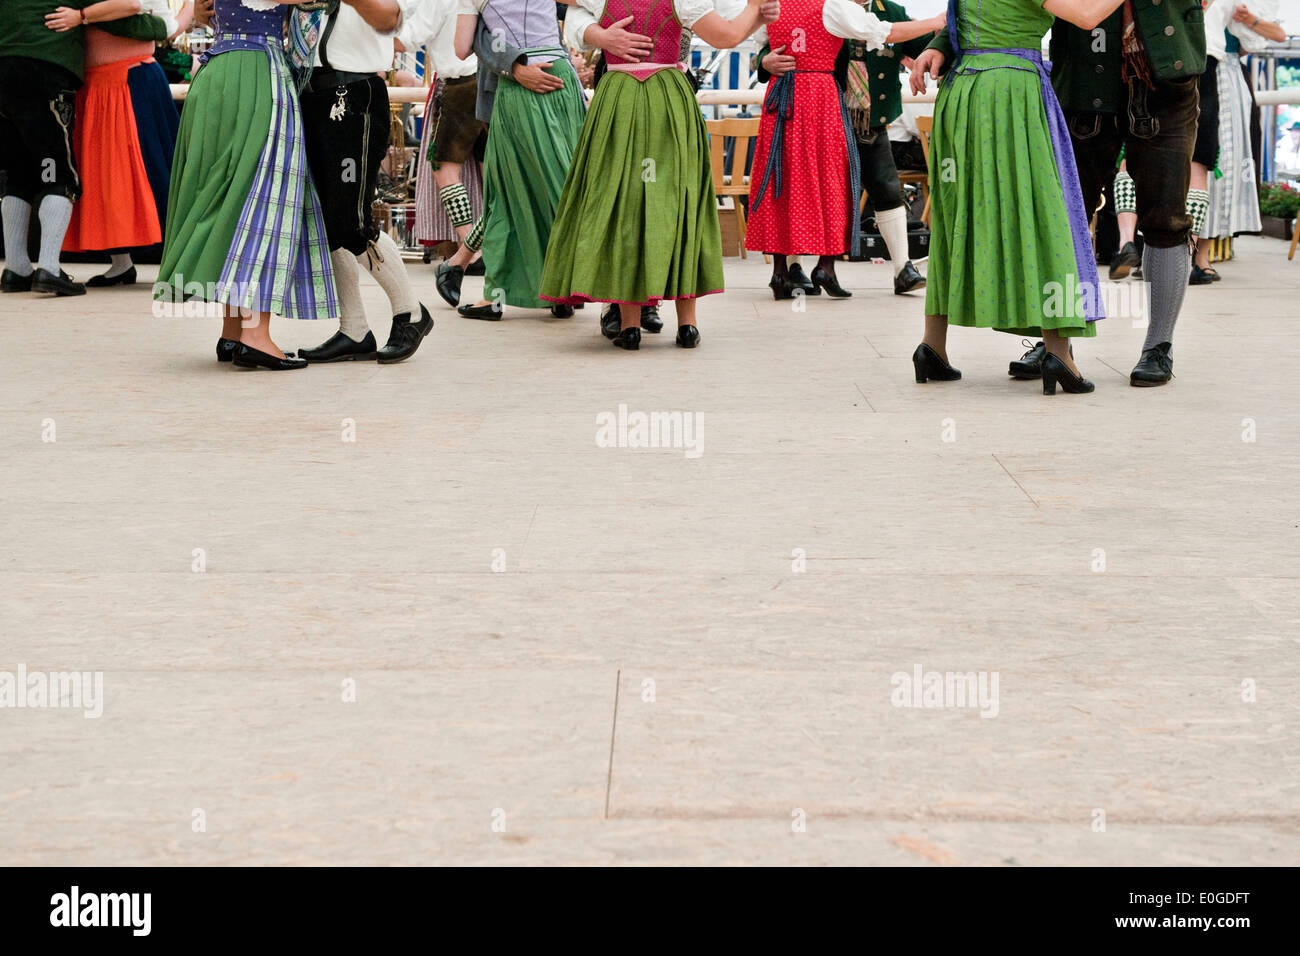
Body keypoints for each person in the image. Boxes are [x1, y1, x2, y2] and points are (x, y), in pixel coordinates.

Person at [909, 0, 1130, 396]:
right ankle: (1058, 353)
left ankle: (932, 346)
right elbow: (1087, 15)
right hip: (1012, 92)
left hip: (961, 92)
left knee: (955, 217)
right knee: (1046, 213)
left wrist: (939, 44)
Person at [540, 0, 778, 350]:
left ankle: (631, 325)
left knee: (625, 203)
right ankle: (688, 325)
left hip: (618, 95)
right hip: (669, 95)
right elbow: (726, 37)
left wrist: (600, 34)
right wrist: (756, 10)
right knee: (679, 203)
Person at [1006, 0, 1207, 387]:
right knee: (1065, 216)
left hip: (1167, 79)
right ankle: (1056, 344)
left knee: (1166, 217)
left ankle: (1158, 346)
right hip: (1084, 80)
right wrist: (945, 43)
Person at [156, 0, 335, 371]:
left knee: (233, 196)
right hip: (257, 72)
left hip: (218, 71)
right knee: (268, 197)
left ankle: (234, 330)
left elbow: (202, 11)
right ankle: (256, 335)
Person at [745, 0, 944, 300]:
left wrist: (934, 53)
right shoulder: (832, 6)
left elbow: (918, 46)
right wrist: (763, 62)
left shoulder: (888, 9)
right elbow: (769, 44)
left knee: (882, 188)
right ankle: (801, 267)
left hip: (862, 117)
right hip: (824, 111)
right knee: (818, 187)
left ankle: (901, 268)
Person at [296, 0, 436, 365]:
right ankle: (354, 328)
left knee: (351, 220)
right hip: (313, 94)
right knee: (329, 220)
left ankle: (411, 312)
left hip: (353, 93)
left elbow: (390, 17)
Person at [1, 0, 165, 297]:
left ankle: (16, 268)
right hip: (45, 69)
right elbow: (125, 8)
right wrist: (165, 26)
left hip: (4, 71)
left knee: (18, 174)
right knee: (58, 174)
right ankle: (49, 267)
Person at [449, 0, 587, 321]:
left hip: (521, 88)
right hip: (564, 80)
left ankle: (494, 297)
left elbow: (460, 48)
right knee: (568, 184)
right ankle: (564, 289)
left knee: (506, 192)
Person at [61, 1, 188, 288]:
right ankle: (121, 263)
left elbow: (132, 5)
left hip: (129, 78)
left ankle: (180, 266)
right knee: (105, 180)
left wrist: (81, 16)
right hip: (101, 82)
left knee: (153, 170)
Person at [1196, 1, 1285, 281]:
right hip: (1194, 70)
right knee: (1193, 163)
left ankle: (1202, 255)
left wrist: (1249, 19)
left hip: (1226, 73)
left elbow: (1273, 36)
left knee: (1224, 166)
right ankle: (1182, 254)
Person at [402, 0, 486, 280]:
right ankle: (495, 247)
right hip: (493, 82)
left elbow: (410, 37)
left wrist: (369, 34)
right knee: (493, 173)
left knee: (444, 169)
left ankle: (471, 249)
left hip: (460, 85)